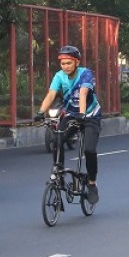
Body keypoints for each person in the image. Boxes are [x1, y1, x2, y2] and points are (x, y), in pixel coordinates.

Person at [35, 45, 102, 204]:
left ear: (77, 62)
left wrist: (82, 114)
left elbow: (84, 93)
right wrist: (40, 112)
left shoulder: (85, 74)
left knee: (89, 150)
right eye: (63, 64)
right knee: (57, 140)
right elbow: (51, 94)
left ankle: (92, 184)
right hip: (72, 114)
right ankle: (59, 172)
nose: (65, 67)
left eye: (69, 63)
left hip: (90, 115)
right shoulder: (59, 76)